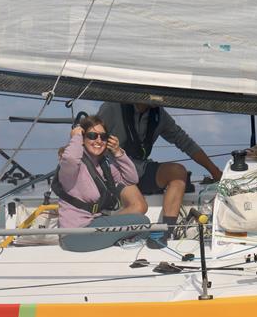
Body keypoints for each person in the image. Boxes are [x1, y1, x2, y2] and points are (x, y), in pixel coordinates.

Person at [97, 102, 222, 245]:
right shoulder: (112, 108)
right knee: (139, 206)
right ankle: (98, 230)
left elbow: (184, 141)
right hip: (114, 172)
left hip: (139, 169)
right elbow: (91, 138)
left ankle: (165, 233)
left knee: (178, 172)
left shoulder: (159, 114)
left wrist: (215, 172)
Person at [54, 116, 150, 252]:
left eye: (103, 137)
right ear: (83, 139)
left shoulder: (103, 165)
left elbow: (131, 179)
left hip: (94, 225)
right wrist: (76, 136)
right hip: (75, 235)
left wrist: (118, 152)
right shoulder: (71, 168)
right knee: (143, 222)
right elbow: (70, 158)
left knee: (142, 223)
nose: (98, 140)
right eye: (92, 136)